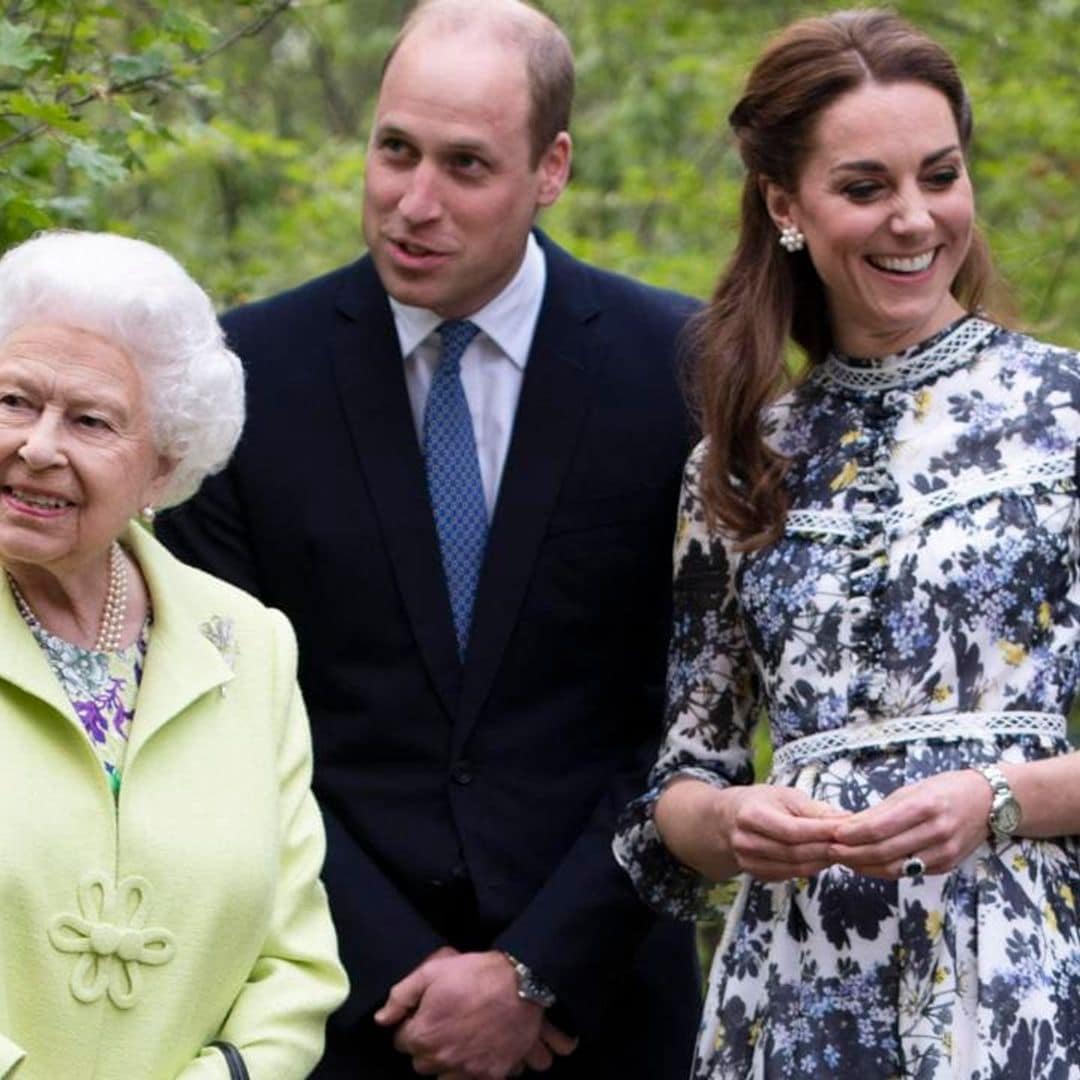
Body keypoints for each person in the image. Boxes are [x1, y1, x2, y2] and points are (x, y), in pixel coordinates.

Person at [156, 0, 701, 1077]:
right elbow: (219, 721)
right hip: (333, 1009)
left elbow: (694, 715)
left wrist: (541, 969)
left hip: (604, 1008)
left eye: (465, 166)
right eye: (394, 150)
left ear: (551, 169)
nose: (414, 203)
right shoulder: (238, 379)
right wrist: (402, 972)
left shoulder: (682, 368)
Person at [614, 9, 1080, 1079]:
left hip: (1016, 979)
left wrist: (997, 800)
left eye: (941, 175)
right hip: (794, 990)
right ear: (786, 204)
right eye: (866, 188)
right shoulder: (736, 463)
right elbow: (681, 783)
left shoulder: (1066, 413)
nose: (914, 220)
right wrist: (733, 822)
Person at [0, 229, 347, 1080]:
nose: (40, 446)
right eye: (14, 401)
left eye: (89, 419)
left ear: (163, 468)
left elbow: (295, 963)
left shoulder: (248, 643)